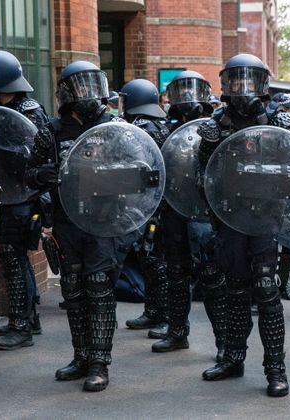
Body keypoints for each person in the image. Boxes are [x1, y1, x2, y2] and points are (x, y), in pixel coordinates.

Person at [25, 61, 134, 392]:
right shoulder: (52, 131)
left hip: (104, 221)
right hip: (67, 221)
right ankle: (81, 355)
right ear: (67, 94)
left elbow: (137, 169)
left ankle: (100, 363)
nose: (88, 95)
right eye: (80, 87)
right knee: (73, 290)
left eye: (92, 86)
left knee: (99, 289)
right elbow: (29, 173)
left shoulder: (114, 126)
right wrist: (42, 175)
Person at [197, 53, 290, 397]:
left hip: (266, 216)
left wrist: (266, 175)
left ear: (263, 85)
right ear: (226, 85)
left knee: (266, 290)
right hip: (230, 217)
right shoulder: (212, 126)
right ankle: (233, 357)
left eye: (250, 81)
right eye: (236, 81)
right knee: (235, 289)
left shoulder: (281, 123)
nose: (243, 88)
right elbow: (200, 176)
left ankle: (276, 369)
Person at [149, 71, 227, 356]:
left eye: (191, 91)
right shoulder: (164, 129)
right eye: (181, 92)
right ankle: (177, 332)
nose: (186, 98)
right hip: (174, 209)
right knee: (175, 272)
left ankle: (224, 343)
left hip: (205, 212)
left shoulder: (217, 127)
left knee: (211, 276)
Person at [0, 49, 48, 350]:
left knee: (14, 260)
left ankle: (21, 326)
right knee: (16, 259)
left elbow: (31, 158)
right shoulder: (1, 106)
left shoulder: (27, 112)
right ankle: (27, 316)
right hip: (9, 197)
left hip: (21, 198)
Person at [121, 79, 172, 336]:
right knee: (149, 258)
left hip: (149, 204)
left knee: (154, 260)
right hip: (157, 203)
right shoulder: (160, 124)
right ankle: (154, 311)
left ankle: (163, 315)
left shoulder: (142, 126)